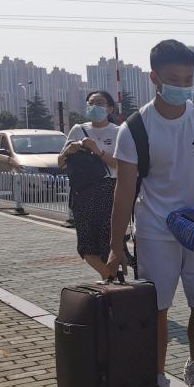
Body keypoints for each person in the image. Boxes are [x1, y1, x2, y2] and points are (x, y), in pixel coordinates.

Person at [108, 39, 194, 387]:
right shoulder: (134, 128)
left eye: (187, 79)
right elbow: (124, 191)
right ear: (155, 78)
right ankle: (157, 379)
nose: (181, 85)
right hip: (155, 231)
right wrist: (115, 246)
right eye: (173, 79)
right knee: (157, 310)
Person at [58, 90, 120, 279]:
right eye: (91, 103)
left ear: (110, 108)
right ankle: (110, 278)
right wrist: (69, 150)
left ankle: (111, 280)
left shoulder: (118, 132)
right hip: (83, 191)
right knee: (86, 245)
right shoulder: (78, 129)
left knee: (107, 243)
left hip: (108, 190)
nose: (95, 107)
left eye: (100, 103)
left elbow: (121, 165)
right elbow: (60, 163)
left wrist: (97, 150)